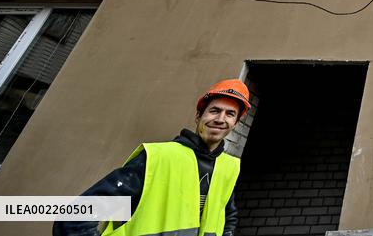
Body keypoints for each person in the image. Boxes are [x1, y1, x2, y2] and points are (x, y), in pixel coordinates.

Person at [54, 79, 250, 236]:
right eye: (214, 111)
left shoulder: (228, 168)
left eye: (230, 114)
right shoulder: (158, 157)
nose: (220, 119)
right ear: (198, 116)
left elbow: (227, 216)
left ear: (235, 123)